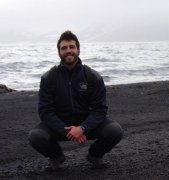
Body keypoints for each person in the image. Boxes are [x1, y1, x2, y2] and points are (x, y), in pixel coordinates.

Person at [28, 30, 123, 170]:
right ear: (59, 52)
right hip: (59, 126)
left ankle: (94, 155)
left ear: (78, 49)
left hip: (87, 124)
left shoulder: (92, 76)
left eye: (72, 47)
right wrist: (68, 131)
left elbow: (100, 110)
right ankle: (56, 156)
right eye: (64, 48)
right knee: (35, 136)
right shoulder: (49, 78)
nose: (68, 51)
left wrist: (83, 128)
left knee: (115, 131)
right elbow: (45, 111)